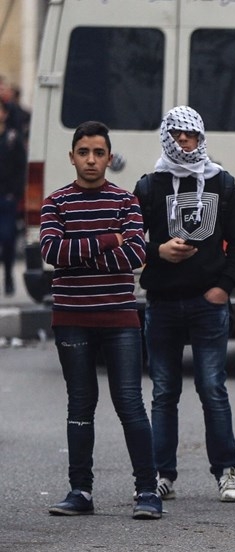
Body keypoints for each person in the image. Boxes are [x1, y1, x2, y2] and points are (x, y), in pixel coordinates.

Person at [41, 121, 163, 519]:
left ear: (110, 158)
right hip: (71, 318)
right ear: (72, 156)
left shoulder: (126, 203)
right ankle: (80, 491)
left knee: (129, 403)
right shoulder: (55, 203)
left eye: (98, 153)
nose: (91, 160)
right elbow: (52, 252)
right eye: (83, 152)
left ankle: (147, 491)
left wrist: (80, 253)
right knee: (80, 403)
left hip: (120, 318)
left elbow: (136, 257)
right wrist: (110, 240)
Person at [134, 106, 235, 503]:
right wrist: (158, 251)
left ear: (202, 138)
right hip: (163, 304)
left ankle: (227, 470)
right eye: (178, 135)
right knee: (164, 391)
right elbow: (131, 242)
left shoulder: (221, 182)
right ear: (166, 137)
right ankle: (161, 474)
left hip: (208, 305)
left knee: (212, 388)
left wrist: (224, 287)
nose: (186, 142)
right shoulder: (150, 185)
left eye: (193, 136)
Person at [0, 97, 26, 295]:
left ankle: (8, 275)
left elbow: (21, 168)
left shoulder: (12, 138)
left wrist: (15, 193)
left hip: (7, 197)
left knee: (8, 238)